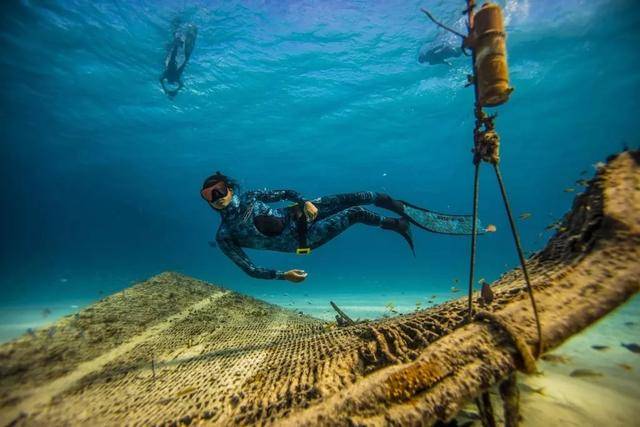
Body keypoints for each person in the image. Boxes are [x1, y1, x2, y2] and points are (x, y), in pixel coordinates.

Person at [201, 172, 492, 283]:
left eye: (219, 190)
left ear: (230, 187)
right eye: (209, 196)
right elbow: (249, 269)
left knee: (360, 195)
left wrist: (303, 202)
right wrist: (283, 275)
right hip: (304, 240)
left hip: (299, 215)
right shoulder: (226, 235)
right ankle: (396, 225)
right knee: (355, 212)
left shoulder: (252, 196)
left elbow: (286, 192)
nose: (217, 198)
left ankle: (396, 205)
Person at [160, 22, 197, 98]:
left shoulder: (174, 77)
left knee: (188, 43)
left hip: (184, 57)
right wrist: (167, 91)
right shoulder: (167, 75)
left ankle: (190, 28)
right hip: (182, 58)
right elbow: (161, 80)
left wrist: (172, 91)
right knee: (181, 41)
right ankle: (179, 25)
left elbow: (181, 85)